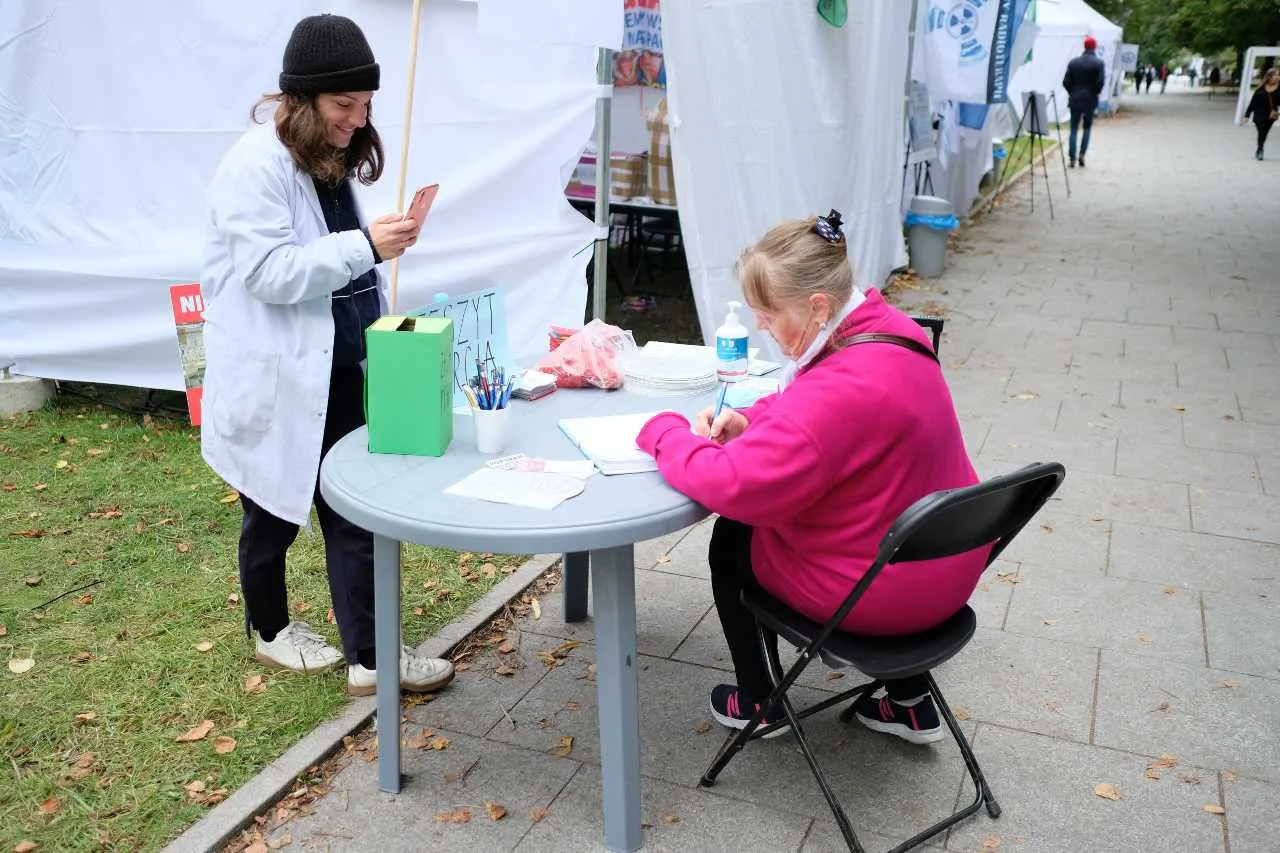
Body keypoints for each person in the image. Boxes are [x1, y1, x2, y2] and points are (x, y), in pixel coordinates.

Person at [635, 212, 988, 745]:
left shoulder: (835, 393)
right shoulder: (897, 332)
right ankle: (911, 702)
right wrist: (754, 419)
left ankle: (759, 701)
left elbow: (732, 484)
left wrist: (664, 431)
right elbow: (822, 411)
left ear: (816, 306)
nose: (762, 328)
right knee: (795, 524)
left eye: (769, 315)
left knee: (734, 536)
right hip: (948, 570)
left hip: (883, 598)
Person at [200, 14, 455, 697]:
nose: (357, 119)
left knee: (351, 507)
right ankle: (271, 629)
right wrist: (368, 246)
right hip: (278, 366)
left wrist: (376, 261)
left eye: (366, 105)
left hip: (334, 360)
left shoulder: (326, 155)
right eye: (345, 105)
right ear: (301, 100)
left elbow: (337, 251)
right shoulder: (253, 167)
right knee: (272, 508)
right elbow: (271, 273)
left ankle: (370, 656)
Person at [1063, 36, 1106, 169]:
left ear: (1084, 46)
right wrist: (1095, 92)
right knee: (1087, 128)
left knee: (1073, 129)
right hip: (1090, 99)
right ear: (1094, 47)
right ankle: (1082, 154)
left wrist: (1072, 92)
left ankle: (1071, 158)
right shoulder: (1099, 63)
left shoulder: (1073, 62)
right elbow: (1100, 82)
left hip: (1075, 98)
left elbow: (1066, 82)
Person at [1244, 68, 1280, 161]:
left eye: (1278, 75)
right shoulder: (1261, 87)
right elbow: (1253, 102)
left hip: (1271, 115)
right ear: (1269, 76)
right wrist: (1247, 115)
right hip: (1259, 114)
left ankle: (1260, 149)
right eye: (1275, 75)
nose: (1277, 77)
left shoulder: (1279, 88)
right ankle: (1260, 150)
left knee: (1264, 133)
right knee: (1261, 131)